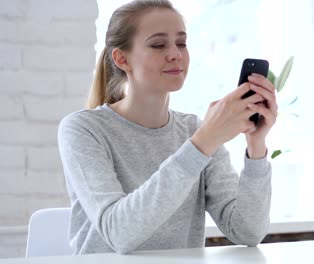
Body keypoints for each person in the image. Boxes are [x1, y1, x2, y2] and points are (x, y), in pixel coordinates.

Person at [58, 0, 277, 255]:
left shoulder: (195, 130)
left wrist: (256, 146)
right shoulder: (83, 129)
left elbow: (247, 232)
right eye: (158, 44)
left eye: (181, 43)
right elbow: (119, 233)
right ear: (121, 58)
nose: (175, 54)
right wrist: (203, 142)